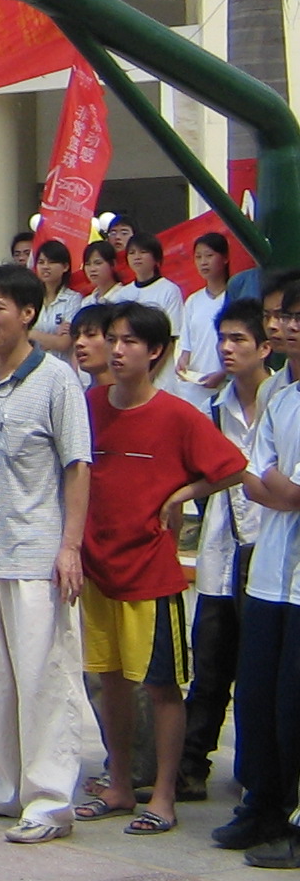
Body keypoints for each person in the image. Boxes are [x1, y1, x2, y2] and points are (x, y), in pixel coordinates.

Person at [75, 302, 245, 835]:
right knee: (108, 681)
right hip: (95, 568)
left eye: (129, 341)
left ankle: (165, 795)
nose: (117, 350)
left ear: (155, 352)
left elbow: (233, 468)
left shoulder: (177, 415)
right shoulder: (89, 404)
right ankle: (120, 784)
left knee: (161, 687)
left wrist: (181, 494)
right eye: (112, 339)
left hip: (150, 573)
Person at [0, 265, 92, 843]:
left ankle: (50, 802)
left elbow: (77, 467)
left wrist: (70, 547)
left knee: (43, 681)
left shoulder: (57, 380)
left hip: (35, 556)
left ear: (28, 314)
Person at [218, 311, 300, 865]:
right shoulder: (281, 396)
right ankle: (263, 806)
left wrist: (275, 484)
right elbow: (257, 478)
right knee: (258, 696)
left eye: (296, 317)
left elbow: (287, 491)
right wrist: (276, 485)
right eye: (280, 316)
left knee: (295, 704)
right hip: (270, 572)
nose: (285, 327)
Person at [181, 299, 271, 804]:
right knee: (210, 665)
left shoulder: (284, 402)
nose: (227, 349)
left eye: (239, 339)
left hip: (273, 553)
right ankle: (192, 763)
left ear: (265, 347)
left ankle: (259, 770)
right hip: (221, 550)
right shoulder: (211, 410)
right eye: (223, 339)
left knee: (261, 671)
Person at [171, 233, 231, 412]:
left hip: (226, 385)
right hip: (196, 387)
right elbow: (186, 346)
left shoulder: (233, 297)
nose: (203, 262)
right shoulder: (193, 301)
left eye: (209, 255)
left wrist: (224, 373)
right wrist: (182, 363)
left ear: (225, 258)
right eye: (198, 257)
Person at [29, 240, 82, 361]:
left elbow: (63, 344)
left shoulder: (73, 299)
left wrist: (31, 334)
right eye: (41, 262)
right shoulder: (30, 298)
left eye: (52, 262)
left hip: (62, 363)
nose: (45, 267)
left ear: (65, 267)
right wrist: (52, 339)